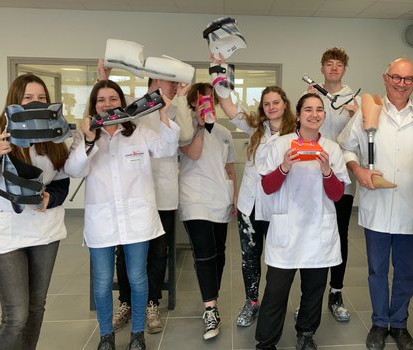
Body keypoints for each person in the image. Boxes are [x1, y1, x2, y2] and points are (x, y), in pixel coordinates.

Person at [64, 79, 180, 350]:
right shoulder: (86, 135)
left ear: (122, 102)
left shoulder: (138, 131)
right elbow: (73, 169)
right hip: (102, 219)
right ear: (94, 105)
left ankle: (137, 334)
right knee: (102, 281)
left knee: (138, 276)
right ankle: (106, 335)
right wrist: (91, 139)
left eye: (113, 99)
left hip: (137, 217)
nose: (107, 104)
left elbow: (166, 148)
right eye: (101, 100)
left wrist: (163, 112)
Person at [337, 57, 413, 350]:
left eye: (408, 79)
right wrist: (358, 170)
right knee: (377, 271)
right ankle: (380, 323)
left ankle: (400, 323)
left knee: (408, 272)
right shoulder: (368, 112)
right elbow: (346, 147)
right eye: (396, 77)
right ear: (386, 78)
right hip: (377, 207)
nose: (401, 84)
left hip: (411, 208)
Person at [255, 93, 350, 350]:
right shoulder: (280, 145)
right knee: (275, 291)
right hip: (287, 230)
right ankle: (266, 342)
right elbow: (267, 186)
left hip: (319, 228)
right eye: (308, 109)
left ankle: (306, 334)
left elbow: (337, 194)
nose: (314, 114)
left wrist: (328, 171)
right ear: (298, 115)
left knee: (314, 289)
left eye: (319, 109)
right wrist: (284, 166)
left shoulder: (331, 148)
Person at [113, 76, 194, 334]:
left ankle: (151, 303)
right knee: (125, 251)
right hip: (133, 193)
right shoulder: (134, 106)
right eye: (171, 82)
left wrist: (178, 100)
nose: (175, 86)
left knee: (159, 252)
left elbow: (187, 135)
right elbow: (117, 126)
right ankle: (125, 302)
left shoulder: (176, 103)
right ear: (156, 79)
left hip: (164, 193)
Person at [0, 74, 70, 350]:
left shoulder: (52, 136)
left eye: (41, 98)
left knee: (37, 308)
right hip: (8, 234)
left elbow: (62, 180)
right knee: (16, 315)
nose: (35, 103)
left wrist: (50, 199)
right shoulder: (0, 131)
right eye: (28, 98)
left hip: (44, 231)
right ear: (15, 100)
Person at [217, 81, 297, 327]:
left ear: (285, 104)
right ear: (262, 108)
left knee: (279, 259)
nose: (272, 107)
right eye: (267, 104)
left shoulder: (296, 132)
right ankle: (252, 301)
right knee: (250, 257)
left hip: (279, 208)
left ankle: (275, 304)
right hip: (250, 206)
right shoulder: (255, 128)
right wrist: (220, 76)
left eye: (276, 102)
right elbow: (228, 106)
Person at [178, 82, 237, 340]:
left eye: (210, 100)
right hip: (194, 199)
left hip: (220, 198)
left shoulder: (224, 132)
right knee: (203, 254)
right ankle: (210, 309)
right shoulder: (183, 130)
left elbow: (230, 168)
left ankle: (211, 297)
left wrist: (234, 197)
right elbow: (193, 153)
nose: (207, 104)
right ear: (192, 103)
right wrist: (200, 126)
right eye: (201, 100)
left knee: (218, 254)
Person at [305, 47, 360, 322]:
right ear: (322, 68)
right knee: (312, 234)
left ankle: (336, 292)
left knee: (339, 235)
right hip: (310, 177)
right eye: (329, 64)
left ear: (344, 69)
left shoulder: (354, 100)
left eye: (339, 64)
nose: (334, 68)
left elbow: (359, 137)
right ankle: (310, 297)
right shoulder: (312, 95)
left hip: (340, 178)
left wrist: (355, 117)